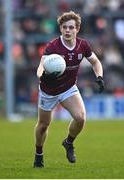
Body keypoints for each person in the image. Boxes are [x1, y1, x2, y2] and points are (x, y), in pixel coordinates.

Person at [33, 11, 104, 168]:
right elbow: (40, 68)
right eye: (64, 27)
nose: (67, 30)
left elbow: (96, 62)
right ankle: (39, 154)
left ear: (77, 29)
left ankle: (68, 142)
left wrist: (99, 77)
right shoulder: (53, 46)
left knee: (81, 118)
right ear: (60, 28)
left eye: (71, 27)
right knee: (44, 125)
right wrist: (43, 76)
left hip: (68, 88)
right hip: (48, 91)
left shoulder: (82, 45)